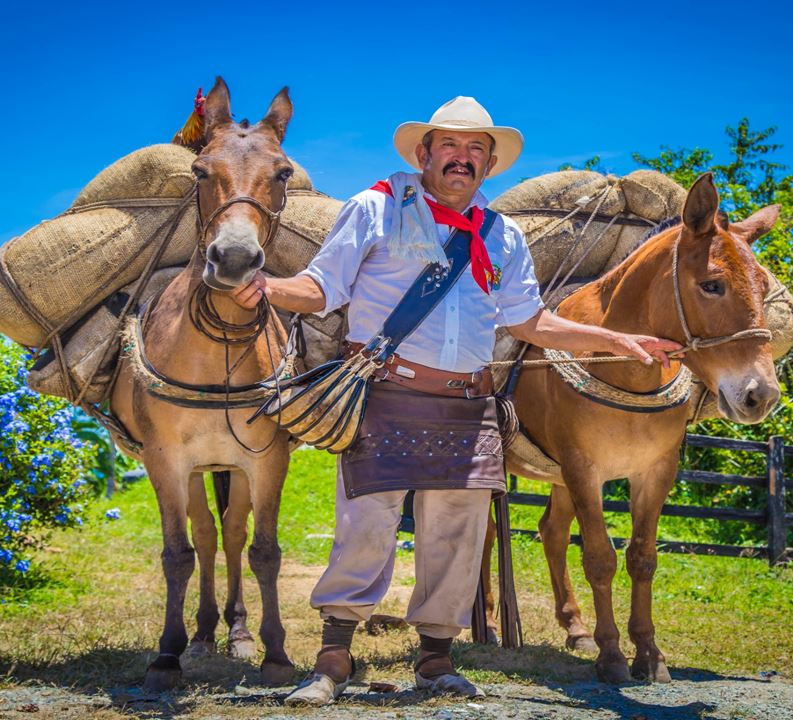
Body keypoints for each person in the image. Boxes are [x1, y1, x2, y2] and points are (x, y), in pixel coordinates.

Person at [229, 96, 681, 705]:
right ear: (424, 153)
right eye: (449, 145)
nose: (461, 158)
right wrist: (269, 287)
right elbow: (321, 288)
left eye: (475, 150)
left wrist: (617, 340)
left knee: (456, 537)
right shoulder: (375, 209)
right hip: (386, 394)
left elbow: (531, 322)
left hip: (468, 405)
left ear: (489, 164)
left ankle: (436, 660)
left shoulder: (503, 235)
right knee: (366, 527)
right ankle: (333, 659)